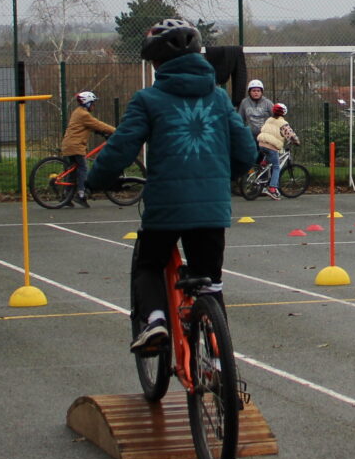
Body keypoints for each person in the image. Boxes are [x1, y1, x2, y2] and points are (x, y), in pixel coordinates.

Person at [86, 19, 256, 355]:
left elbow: (120, 148)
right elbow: (247, 152)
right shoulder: (220, 100)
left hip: (165, 207)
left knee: (149, 264)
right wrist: (225, 176)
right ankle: (221, 366)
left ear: (156, 63)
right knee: (211, 284)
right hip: (212, 209)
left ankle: (156, 321)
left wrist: (96, 180)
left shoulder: (149, 100)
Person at [59, 90, 115, 207]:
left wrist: (99, 132)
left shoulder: (77, 112)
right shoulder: (84, 115)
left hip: (68, 145)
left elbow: (88, 127)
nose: (94, 106)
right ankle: (80, 194)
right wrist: (116, 130)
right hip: (76, 146)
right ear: (87, 103)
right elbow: (98, 124)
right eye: (93, 103)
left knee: (73, 171)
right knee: (83, 168)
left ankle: (66, 195)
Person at [255, 102, 298, 198]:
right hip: (271, 146)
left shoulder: (269, 119)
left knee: (268, 153)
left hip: (261, 143)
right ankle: (272, 189)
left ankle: (264, 163)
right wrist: (296, 141)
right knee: (276, 167)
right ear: (284, 113)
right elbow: (290, 135)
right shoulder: (283, 123)